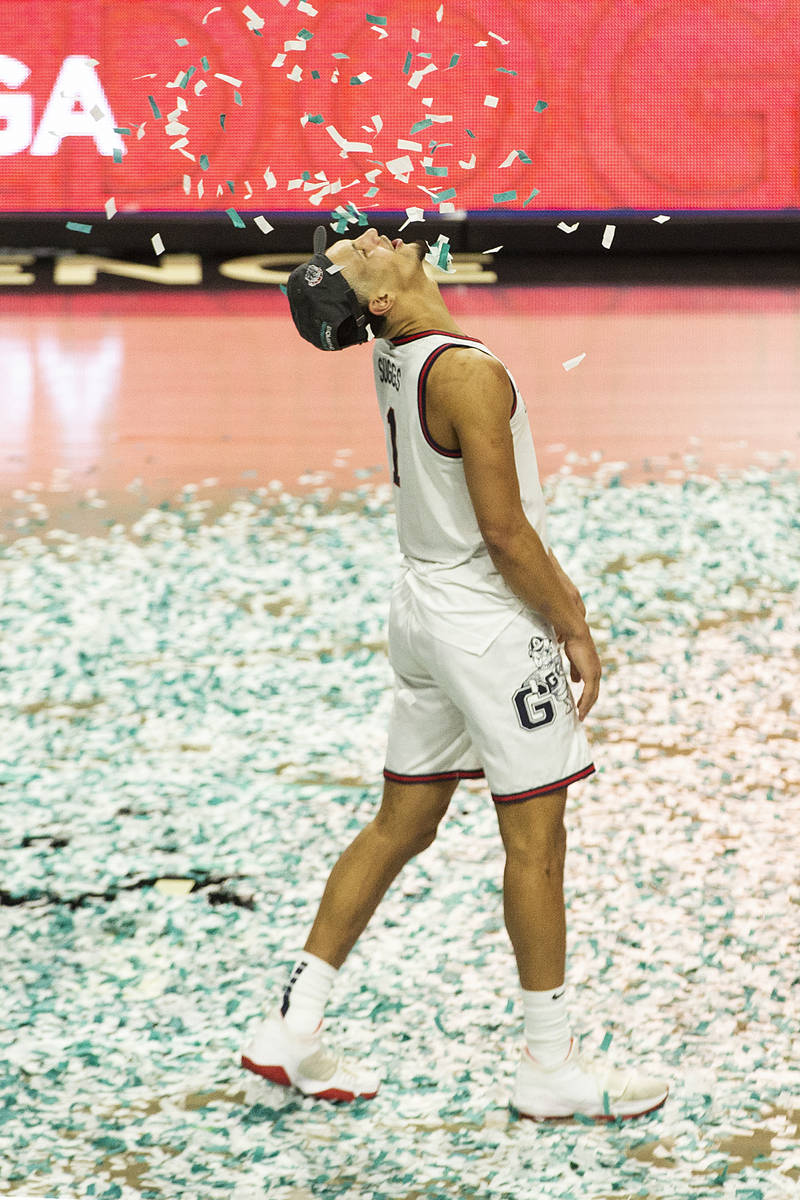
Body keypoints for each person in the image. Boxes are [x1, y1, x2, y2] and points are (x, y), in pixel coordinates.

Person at [240, 225, 669, 1121]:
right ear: (378, 300)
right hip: (486, 627)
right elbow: (505, 533)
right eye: (358, 254)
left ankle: (292, 1027)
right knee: (536, 842)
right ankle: (549, 1068)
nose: (371, 234)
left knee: (400, 822)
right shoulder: (467, 371)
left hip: (421, 612)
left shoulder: (394, 354)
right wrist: (574, 624)